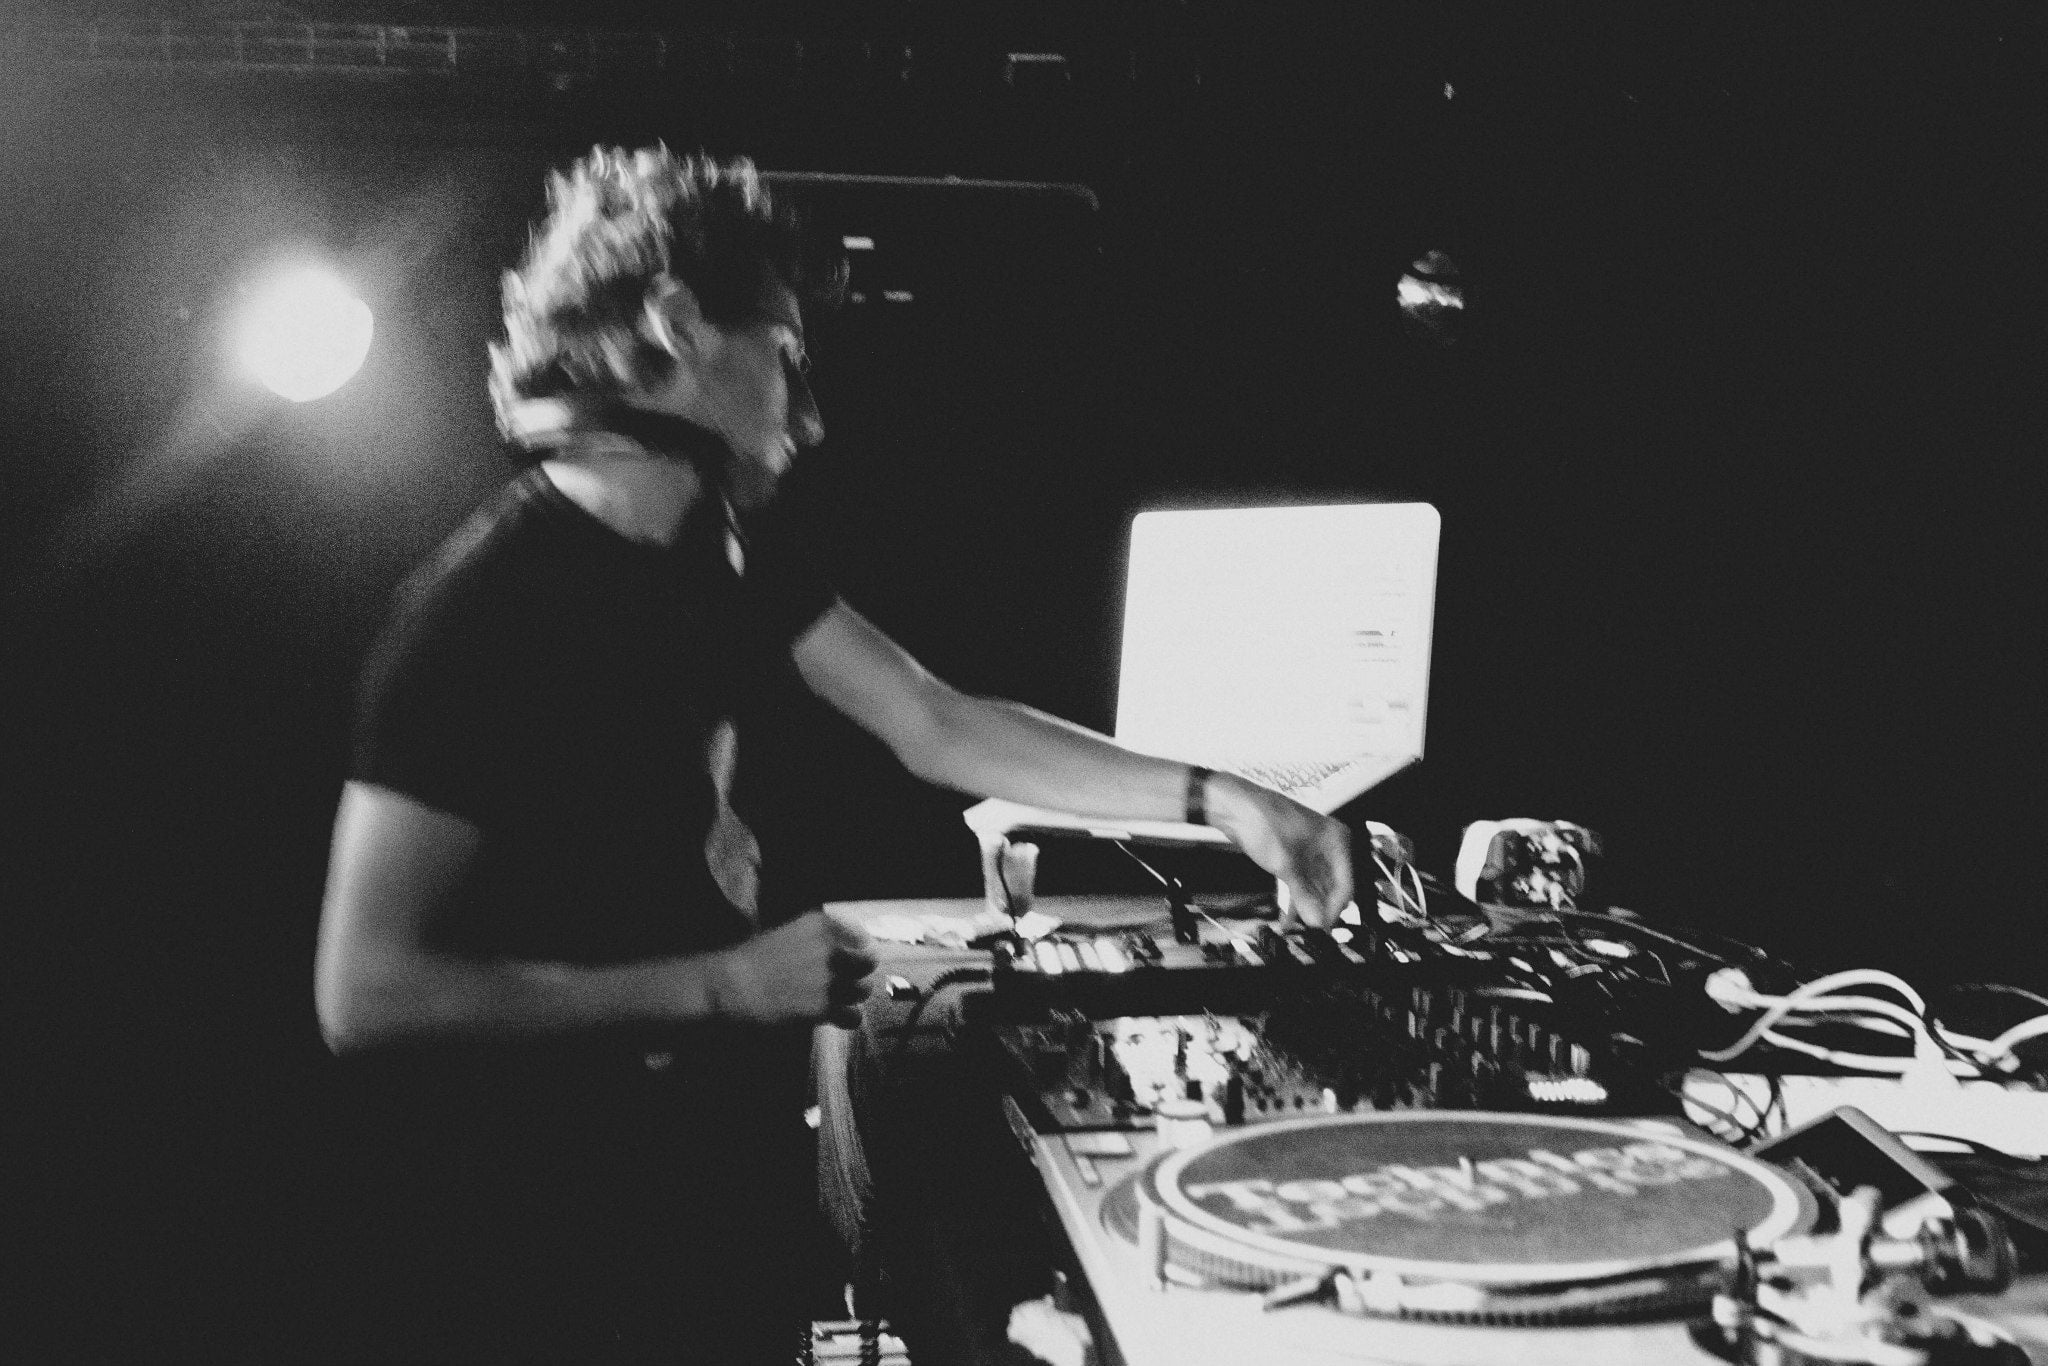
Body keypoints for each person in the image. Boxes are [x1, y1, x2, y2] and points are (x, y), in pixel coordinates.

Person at [314, 145, 1354, 1364]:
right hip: (537, 1232)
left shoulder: (718, 559)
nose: (805, 411)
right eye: (782, 352)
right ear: (676, 324)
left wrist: (1225, 801)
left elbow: (934, 720)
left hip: (686, 1187)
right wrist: (720, 982)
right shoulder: (481, 616)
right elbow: (365, 990)